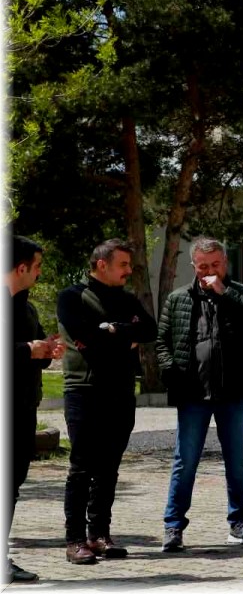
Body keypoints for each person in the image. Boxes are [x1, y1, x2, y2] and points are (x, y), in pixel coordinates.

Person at [157, 237, 243, 552]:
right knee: (185, 461)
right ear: (193, 266)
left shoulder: (240, 293)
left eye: (215, 265)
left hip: (232, 392)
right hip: (192, 393)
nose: (209, 271)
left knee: (237, 462)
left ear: (225, 263)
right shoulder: (178, 298)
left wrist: (224, 292)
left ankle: (239, 523)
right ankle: (173, 527)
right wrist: (170, 371)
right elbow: (162, 341)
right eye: (203, 266)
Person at [57, 239, 156, 565]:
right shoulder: (72, 297)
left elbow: (150, 330)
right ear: (103, 264)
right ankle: (74, 540)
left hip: (121, 392)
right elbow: (82, 337)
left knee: (109, 466)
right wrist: (122, 335)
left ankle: (99, 534)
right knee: (82, 466)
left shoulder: (127, 298)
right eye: (124, 265)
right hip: (85, 391)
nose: (130, 270)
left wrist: (114, 330)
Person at [6, 235, 65, 582]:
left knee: (11, 484)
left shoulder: (26, 307)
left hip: (23, 409)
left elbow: (33, 351)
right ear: (21, 267)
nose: (40, 272)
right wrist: (28, 349)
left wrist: (47, 350)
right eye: (38, 266)